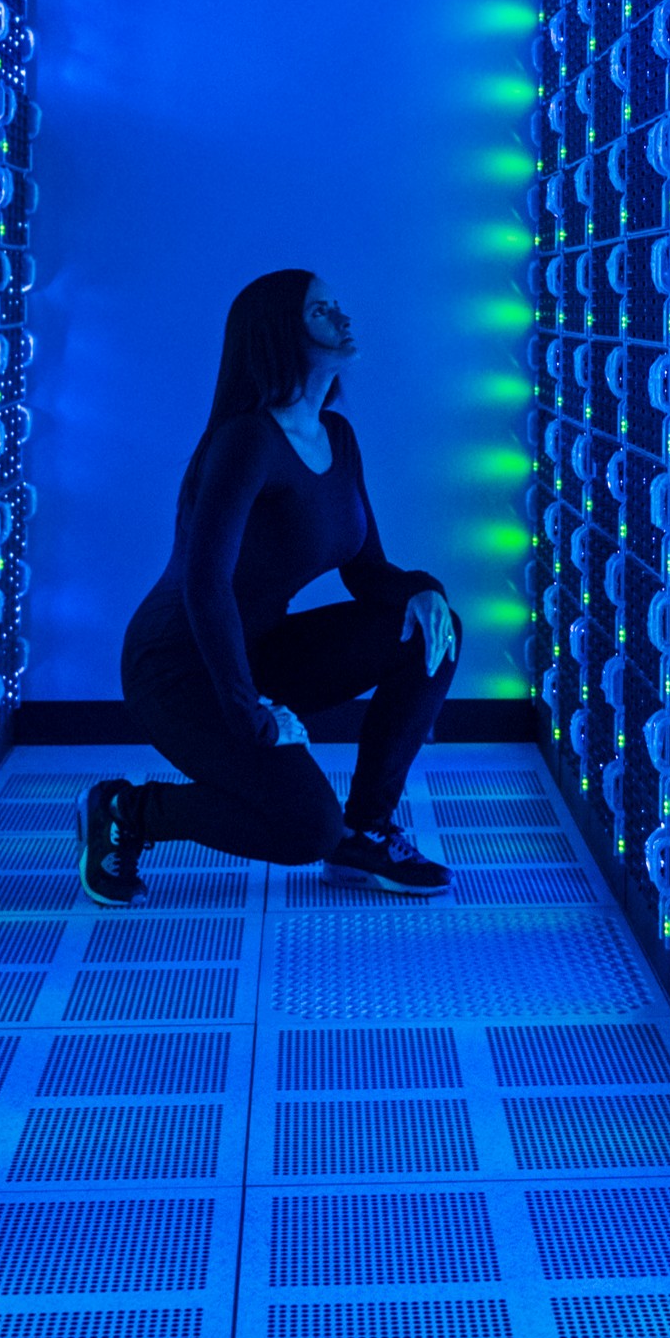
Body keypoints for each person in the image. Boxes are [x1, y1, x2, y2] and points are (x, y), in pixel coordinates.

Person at [77, 268, 462, 905]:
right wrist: (250, 713)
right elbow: (205, 583)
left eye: (338, 306)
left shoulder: (336, 436)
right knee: (304, 825)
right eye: (320, 311)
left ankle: (364, 834)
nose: (342, 319)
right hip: (180, 666)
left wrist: (423, 588)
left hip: (258, 649)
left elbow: (366, 571)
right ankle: (128, 811)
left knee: (432, 630)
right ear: (281, 333)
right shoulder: (247, 442)